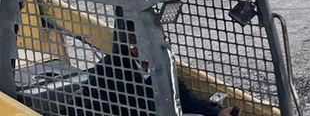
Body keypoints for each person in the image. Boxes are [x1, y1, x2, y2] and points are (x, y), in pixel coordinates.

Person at [79, 14, 237, 116]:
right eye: (156, 42)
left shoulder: (160, 64)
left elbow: (181, 97)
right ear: (132, 43)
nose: (163, 46)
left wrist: (216, 112)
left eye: (163, 40)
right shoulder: (110, 71)